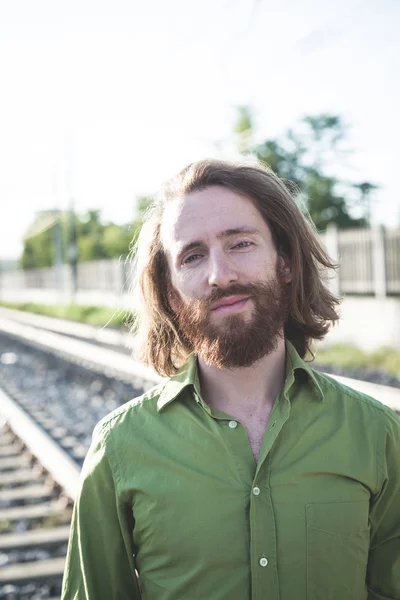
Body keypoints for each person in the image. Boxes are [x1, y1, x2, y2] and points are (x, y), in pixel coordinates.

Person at [61, 159, 400, 600]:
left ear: (286, 261)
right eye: (193, 255)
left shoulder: (376, 434)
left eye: (240, 243)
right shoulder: (119, 448)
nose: (220, 275)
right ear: (169, 290)